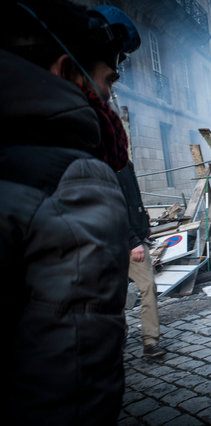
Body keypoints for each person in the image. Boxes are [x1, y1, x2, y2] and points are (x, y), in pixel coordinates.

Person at [0, 0, 140, 423]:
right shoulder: (76, 180)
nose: (112, 97)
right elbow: (73, 377)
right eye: (108, 80)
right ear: (65, 71)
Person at [117, 160, 167, 358]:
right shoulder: (101, 166)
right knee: (115, 295)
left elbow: (134, 198)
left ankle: (150, 342)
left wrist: (144, 222)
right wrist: (132, 241)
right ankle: (118, 337)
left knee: (148, 288)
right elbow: (114, 208)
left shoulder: (126, 164)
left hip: (135, 238)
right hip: (114, 242)